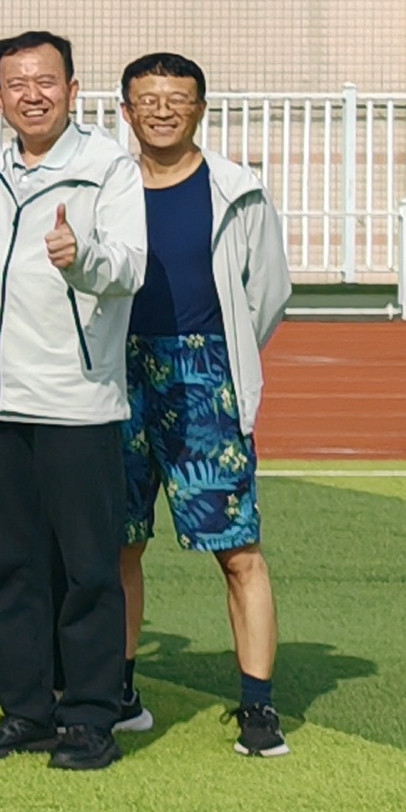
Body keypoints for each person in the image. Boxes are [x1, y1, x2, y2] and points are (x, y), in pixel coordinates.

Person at [0, 34, 157, 766]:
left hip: (76, 401)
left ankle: (91, 715)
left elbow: (129, 267)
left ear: (73, 89)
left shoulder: (107, 167)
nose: (31, 94)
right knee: (11, 567)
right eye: (16, 83)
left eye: (45, 81)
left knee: (87, 568)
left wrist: (82, 261)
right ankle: (26, 710)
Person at [112, 50, 293, 763]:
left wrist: (222, 355)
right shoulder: (106, 185)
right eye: (148, 99)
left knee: (238, 550)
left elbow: (267, 292)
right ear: (125, 110)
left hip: (203, 376)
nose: (162, 111)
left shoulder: (236, 191)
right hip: (116, 374)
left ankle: (258, 703)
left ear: (200, 109)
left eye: (176, 99)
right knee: (119, 542)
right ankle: (120, 692)